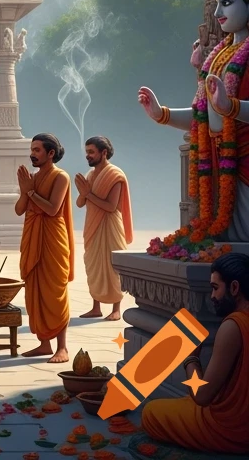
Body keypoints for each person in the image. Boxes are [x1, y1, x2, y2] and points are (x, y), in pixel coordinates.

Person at [137, 0, 249, 240]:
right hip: (217, 161)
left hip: (244, 161)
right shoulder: (219, 54)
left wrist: (232, 107)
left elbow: (224, 109)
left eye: (227, 3)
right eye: (217, 5)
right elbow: (204, 117)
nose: (218, 13)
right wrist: (162, 114)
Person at [141, 252, 249, 454]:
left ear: (234, 288)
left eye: (216, 288)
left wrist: (191, 357)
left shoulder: (233, 326)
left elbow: (202, 396)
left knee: (150, 413)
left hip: (232, 430)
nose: (212, 296)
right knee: (182, 404)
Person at [16, 133, 74, 363]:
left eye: (37, 149)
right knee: (36, 291)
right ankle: (44, 344)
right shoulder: (33, 178)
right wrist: (24, 191)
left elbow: (52, 209)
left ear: (51, 153)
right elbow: (19, 210)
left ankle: (62, 347)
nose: (32, 153)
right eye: (32, 149)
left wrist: (30, 191)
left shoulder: (61, 177)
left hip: (52, 239)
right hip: (33, 237)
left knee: (55, 292)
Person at [75, 135, 133, 321]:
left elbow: (110, 206)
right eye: (87, 152)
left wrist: (88, 193)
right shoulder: (90, 175)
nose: (88, 156)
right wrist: (83, 194)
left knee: (112, 265)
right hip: (92, 225)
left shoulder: (115, 175)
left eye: (91, 152)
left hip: (110, 225)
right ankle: (96, 307)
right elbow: (79, 203)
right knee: (93, 264)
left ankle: (116, 308)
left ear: (104, 152)